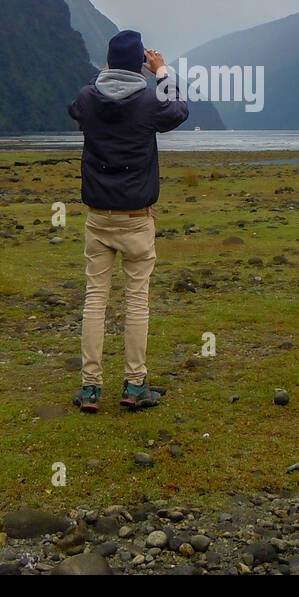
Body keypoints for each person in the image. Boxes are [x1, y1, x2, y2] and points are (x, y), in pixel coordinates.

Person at [66, 29, 189, 412]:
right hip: (136, 218)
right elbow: (179, 110)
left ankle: (90, 388)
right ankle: (135, 385)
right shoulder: (149, 101)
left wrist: (105, 71)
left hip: (97, 218)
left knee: (95, 299)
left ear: (107, 63)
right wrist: (162, 70)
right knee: (137, 302)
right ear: (139, 63)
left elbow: (80, 103)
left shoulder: (89, 97)